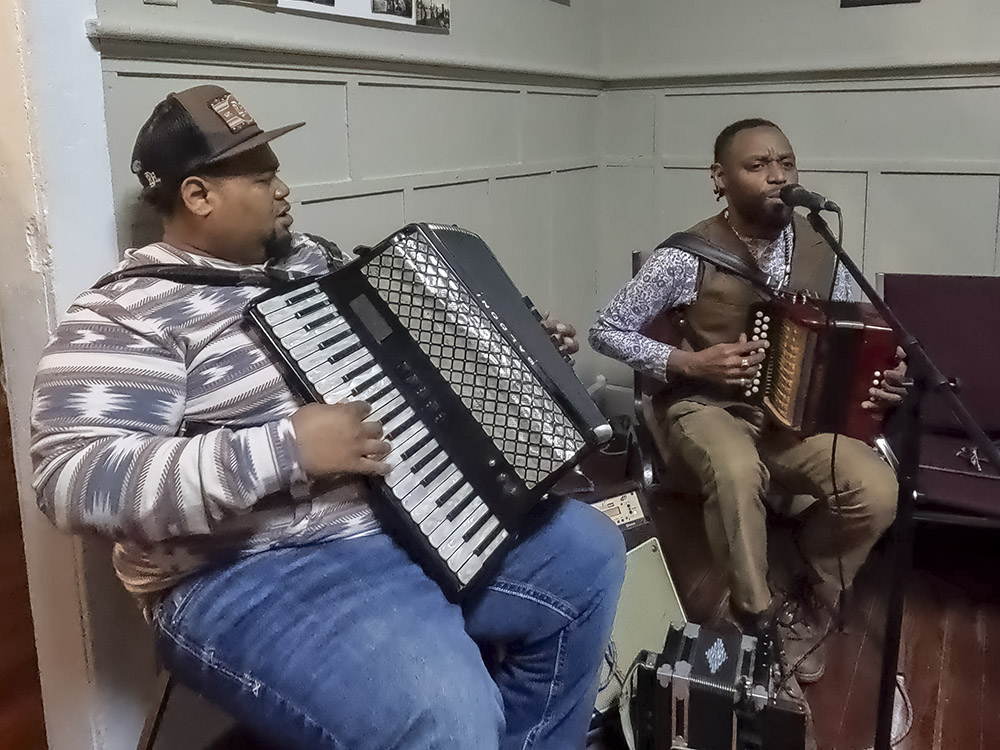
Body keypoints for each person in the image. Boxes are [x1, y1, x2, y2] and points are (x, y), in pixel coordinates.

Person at [30, 84, 624, 750]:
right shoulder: (128, 314)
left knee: (589, 555)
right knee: (447, 715)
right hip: (253, 569)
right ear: (198, 195)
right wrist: (285, 449)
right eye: (261, 177)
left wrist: (523, 347)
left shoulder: (317, 261)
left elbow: (417, 364)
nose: (284, 188)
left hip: (411, 509)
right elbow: (72, 481)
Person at [589, 118, 905, 687]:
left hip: (789, 417)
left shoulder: (820, 246)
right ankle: (757, 623)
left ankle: (803, 590)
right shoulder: (685, 254)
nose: (776, 176)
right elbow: (607, 329)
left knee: (877, 488)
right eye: (757, 166)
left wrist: (882, 372)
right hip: (701, 407)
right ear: (719, 178)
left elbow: (857, 331)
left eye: (785, 163)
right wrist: (687, 362)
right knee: (737, 470)